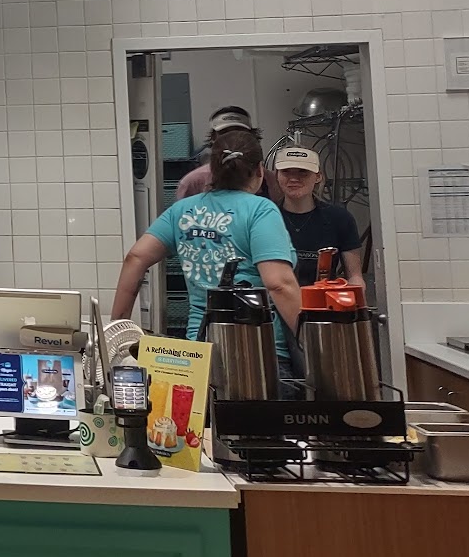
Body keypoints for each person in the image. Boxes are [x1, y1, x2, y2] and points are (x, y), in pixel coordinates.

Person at [114, 126, 303, 375]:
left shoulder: (183, 210)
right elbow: (279, 284)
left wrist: (117, 331)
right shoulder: (260, 210)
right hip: (259, 353)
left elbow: (135, 258)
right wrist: (308, 342)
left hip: (198, 353)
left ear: (213, 169)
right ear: (259, 170)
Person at [271, 146, 365, 286]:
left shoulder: (340, 219)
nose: (294, 179)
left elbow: (355, 277)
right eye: (286, 172)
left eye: (303, 172)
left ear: (318, 176)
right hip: (278, 297)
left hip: (324, 297)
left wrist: (356, 297)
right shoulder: (266, 218)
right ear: (277, 176)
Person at [172, 106, 256, 199]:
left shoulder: (264, 179)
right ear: (213, 137)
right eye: (224, 133)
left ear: (252, 136)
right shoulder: (193, 182)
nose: (232, 138)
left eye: (239, 132)